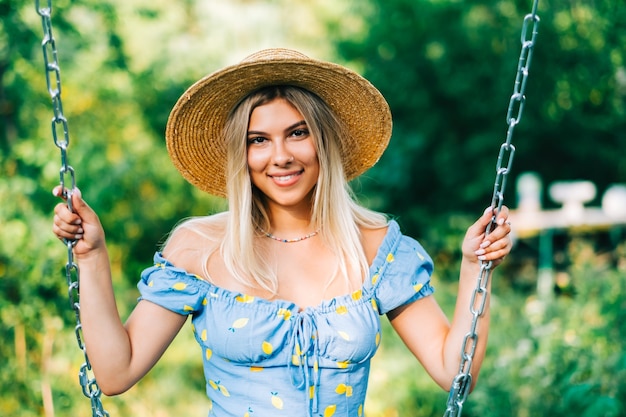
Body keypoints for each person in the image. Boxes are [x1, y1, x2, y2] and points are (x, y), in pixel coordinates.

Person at [52, 48, 512, 417]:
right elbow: (115, 374)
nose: (281, 156)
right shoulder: (201, 248)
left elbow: (456, 374)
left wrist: (476, 267)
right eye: (258, 140)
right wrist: (91, 257)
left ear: (323, 142)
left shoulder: (375, 247)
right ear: (242, 153)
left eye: (297, 133)